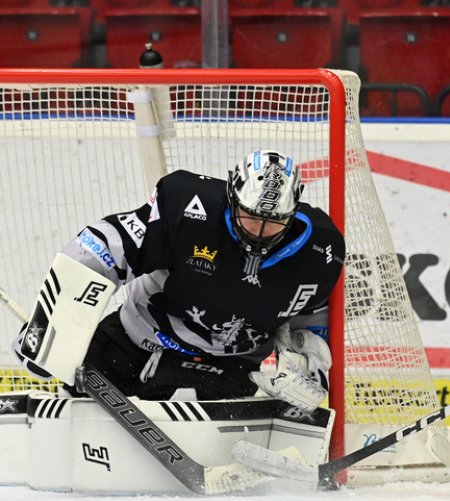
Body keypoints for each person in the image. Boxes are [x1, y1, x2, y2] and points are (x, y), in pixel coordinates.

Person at [13, 150, 345, 412]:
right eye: (249, 217)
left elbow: (311, 320)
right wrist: (51, 325)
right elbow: (103, 245)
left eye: (272, 223)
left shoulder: (320, 252)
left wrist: (308, 369)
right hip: (132, 337)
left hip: (224, 364)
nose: (258, 233)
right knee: (70, 401)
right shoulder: (187, 208)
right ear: (232, 197)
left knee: (176, 403)